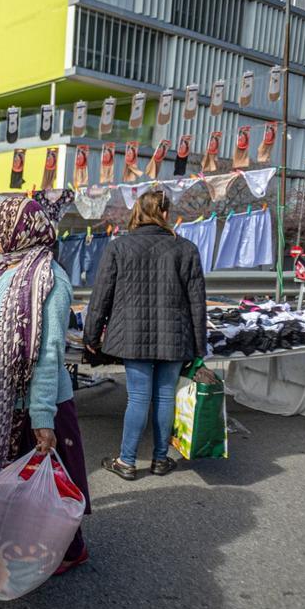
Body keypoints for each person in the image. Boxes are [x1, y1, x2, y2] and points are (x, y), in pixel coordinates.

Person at [0, 197, 91, 571]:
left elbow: (48, 354)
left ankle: (67, 550)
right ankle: (14, 545)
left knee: (46, 489)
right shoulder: (6, 271)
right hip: (0, 402)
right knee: (16, 491)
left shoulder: (48, 280)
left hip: (35, 407)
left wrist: (42, 418)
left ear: (22, 232)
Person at [82, 190, 208, 481]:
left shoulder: (119, 247)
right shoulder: (186, 248)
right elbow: (197, 302)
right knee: (165, 397)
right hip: (175, 335)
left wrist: (91, 336)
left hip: (132, 333)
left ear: (138, 212)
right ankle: (161, 459)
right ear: (164, 214)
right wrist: (200, 347)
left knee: (138, 398)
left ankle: (126, 461)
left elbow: (101, 295)